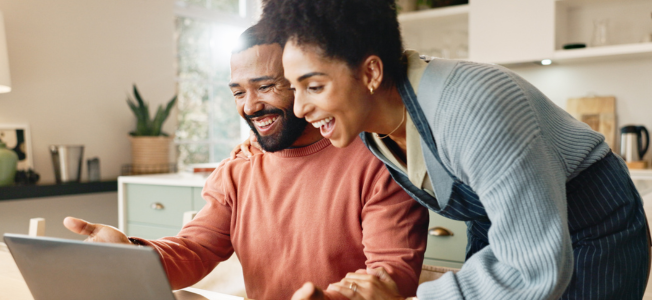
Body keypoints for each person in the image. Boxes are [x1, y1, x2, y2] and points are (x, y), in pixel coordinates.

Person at [254, 1, 651, 299]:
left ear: (371, 73)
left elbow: (534, 267)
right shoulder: (370, 126)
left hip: (593, 230)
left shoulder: (471, 106)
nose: (302, 109)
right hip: (502, 233)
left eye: (315, 86)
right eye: (295, 88)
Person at [63, 24, 429, 300]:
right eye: (238, 91)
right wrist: (130, 253)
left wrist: (332, 298)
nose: (249, 106)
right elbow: (195, 250)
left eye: (266, 86)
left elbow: (393, 272)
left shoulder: (381, 159)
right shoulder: (240, 168)